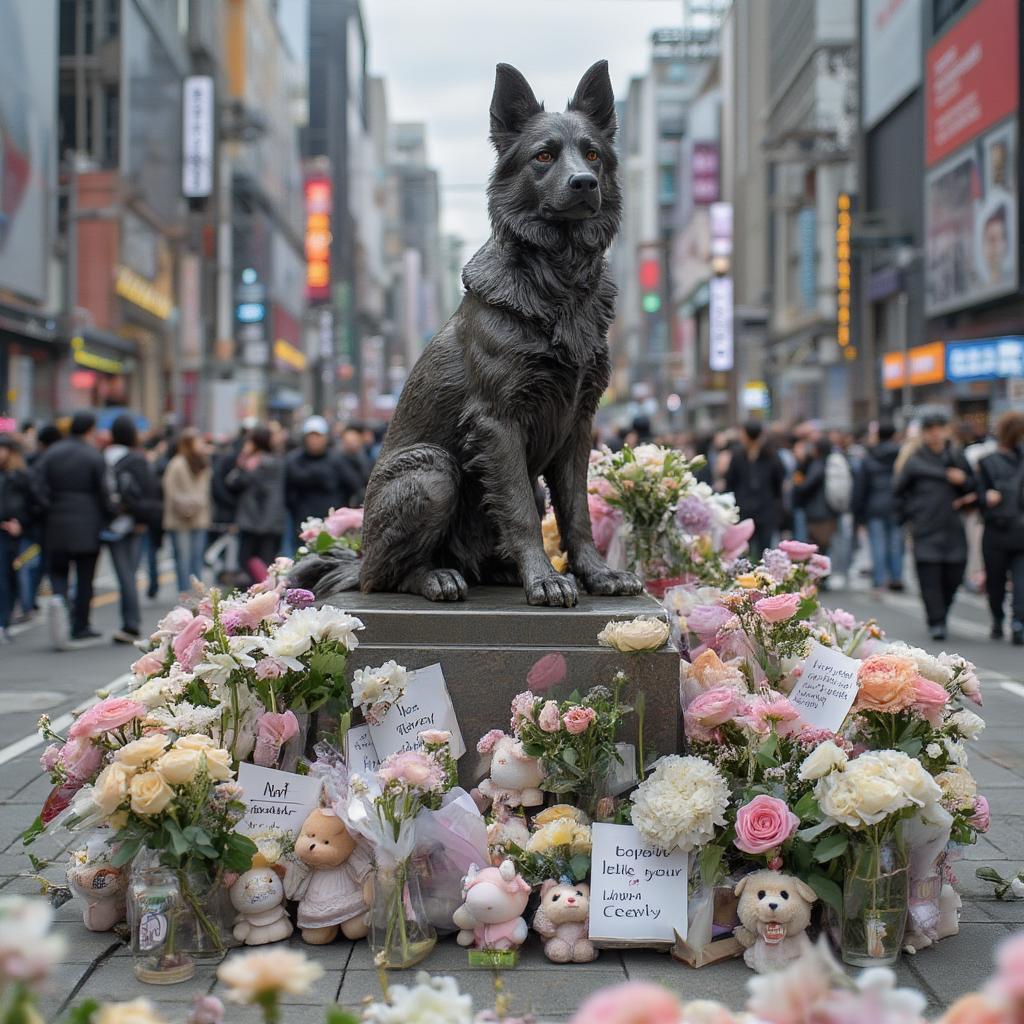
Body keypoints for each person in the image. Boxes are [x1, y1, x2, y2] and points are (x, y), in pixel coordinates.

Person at [32, 411, 113, 645]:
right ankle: (81, 625)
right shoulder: (93, 456)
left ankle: (59, 603)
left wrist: (47, 507)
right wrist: (108, 516)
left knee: (58, 573)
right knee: (85, 577)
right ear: (90, 429)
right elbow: (105, 492)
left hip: (55, 523)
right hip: (88, 524)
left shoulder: (51, 454)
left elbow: (35, 486)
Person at [894, 413, 976, 640]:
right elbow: (898, 494)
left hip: (953, 528)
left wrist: (964, 482)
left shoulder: (957, 457)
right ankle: (936, 621)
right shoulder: (914, 460)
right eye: (930, 428)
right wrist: (912, 513)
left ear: (947, 430)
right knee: (929, 577)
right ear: (923, 432)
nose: (935, 433)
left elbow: (974, 487)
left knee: (954, 574)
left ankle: (942, 612)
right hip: (925, 528)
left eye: (939, 427)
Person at [103, 415, 162, 644]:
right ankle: (131, 624)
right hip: (135, 522)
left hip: (112, 522)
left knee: (123, 574)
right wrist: (143, 518)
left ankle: (130, 622)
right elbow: (150, 490)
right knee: (130, 574)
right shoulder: (137, 459)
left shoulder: (104, 457)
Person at [977, 410, 1024, 643]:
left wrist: (987, 498)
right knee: (1021, 580)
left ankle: (998, 619)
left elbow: (978, 495)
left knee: (995, 580)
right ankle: (1018, 622)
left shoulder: (986, 462)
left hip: (996, 529)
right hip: (1020, 529)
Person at [226, 425, 286, 583]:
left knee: (250, 564)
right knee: (264, 566)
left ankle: (256, 601)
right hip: (266, 521)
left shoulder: (257, 463)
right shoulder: (275, 460)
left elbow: (234, 482)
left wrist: (242, 463)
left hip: (255, 520)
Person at [285, 416, 362, 538]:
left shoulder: (338, 460)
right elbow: (288, 491)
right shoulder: (294, 460)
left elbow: (354, 486)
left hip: (334, 525)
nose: (314, 440)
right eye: (311, 436)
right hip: (302, 525)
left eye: (318, 436)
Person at [724, 421, 785, 561]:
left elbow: (778, 481)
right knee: (743, 551)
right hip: (743, 510)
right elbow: (730, 482)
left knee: (765, 552)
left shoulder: (770, 454)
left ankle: (764, 580)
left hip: (765, 510)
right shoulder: (738, 455)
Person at [855, 422, 905, 594]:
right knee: (896, 543)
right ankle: (896, 577)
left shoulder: (869, 457)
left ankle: (879, 580)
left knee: (878, 544)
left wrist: (858, 512)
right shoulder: (901, 456)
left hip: (874, 505)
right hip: (896, 504)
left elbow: (861, 486)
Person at [163, 428, 213, 594]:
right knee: (183, 559)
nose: (201, 444)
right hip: (180, 519)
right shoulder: (176, 463)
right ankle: (184, 593)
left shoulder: (203, 462)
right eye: (197, 441)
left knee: (196, 558)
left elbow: (205, 490)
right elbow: (170, 491)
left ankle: (198, 593)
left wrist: (196, 503)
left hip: (199, 518)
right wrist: (189, 505)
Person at [0, 436, 32, 643]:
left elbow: (34, 505)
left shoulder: (20, 477)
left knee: (5, 580)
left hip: (8, 536)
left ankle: (3, 622)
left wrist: (21, 523)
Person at [792, 438, 838, 556]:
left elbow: (805, 486)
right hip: (828, 510)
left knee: (818, 548)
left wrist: (797, 481)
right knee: (824, 546)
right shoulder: (828, 462)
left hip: (817, 513)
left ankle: (823, 573)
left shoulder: (817, 465)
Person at [338, 424, 372, 505]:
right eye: (348, 441)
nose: (351, 444)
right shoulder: (337, 460)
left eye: (354, 440)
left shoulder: (365, 458)